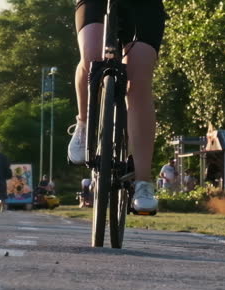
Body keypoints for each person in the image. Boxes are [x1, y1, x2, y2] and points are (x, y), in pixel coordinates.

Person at [66, 0, 166, 214]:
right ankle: (83, 124)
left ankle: (142, 184)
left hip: (142, 6)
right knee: (92, 57)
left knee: (139, 79)